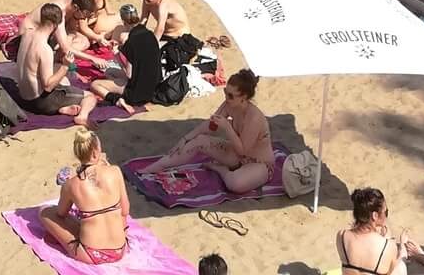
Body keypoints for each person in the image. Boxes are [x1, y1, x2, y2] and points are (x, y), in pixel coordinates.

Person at [145, 70, 273, 193]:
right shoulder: (230, 105)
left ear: (243, 97)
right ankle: (159, 165)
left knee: (235, 184)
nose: (226, 97)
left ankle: (222, 170)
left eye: (230, 95)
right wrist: (185, 139)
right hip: (237, 157)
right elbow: (211, 126)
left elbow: (243, 150)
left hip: (259, 163)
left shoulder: (254, 118)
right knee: (199, 141)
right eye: (225, 92)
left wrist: (227, 127)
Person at [39, 126, 129, 266]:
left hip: (89, 254)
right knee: (93, 217)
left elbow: (60, 214)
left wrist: (68, 187)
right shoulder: (115, 171)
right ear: (96, 152)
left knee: (45, 212)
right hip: (120, 249)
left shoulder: (70, 185)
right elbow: (125, 210)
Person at [13, 5, 84, 120]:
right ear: (56, 25)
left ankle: (62, 108)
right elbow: (48, 86)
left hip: (22, 97)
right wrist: (65, 66)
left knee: (64, 81)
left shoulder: (27, 34)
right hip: (39, 102)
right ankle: (81, 117)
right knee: (89, 97)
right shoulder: (45, 49)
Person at [339, 185, 404, 275]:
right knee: (401, 266)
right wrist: (392, 243)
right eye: (386, 212)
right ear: (375, 216)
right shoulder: (388, 246)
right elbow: (389, 272)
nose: (386, 215)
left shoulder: (341, 236)